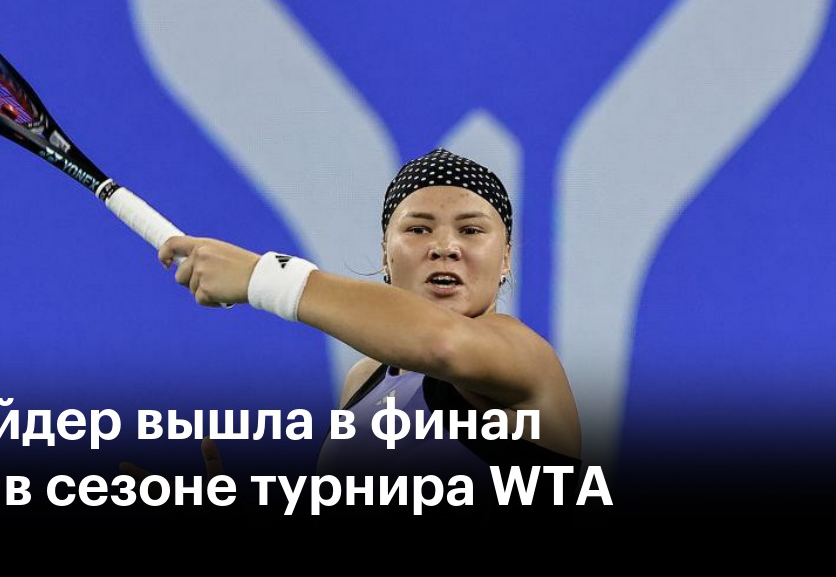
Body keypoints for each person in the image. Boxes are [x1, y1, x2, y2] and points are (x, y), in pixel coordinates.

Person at [147, 147, 582, 516]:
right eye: (418, 229)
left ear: (505, 258)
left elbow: (441, 343)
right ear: (385, 254)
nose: (445, 247)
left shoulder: (526, 358)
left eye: (471, 230)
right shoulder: (363, 380)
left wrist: (265, 277)